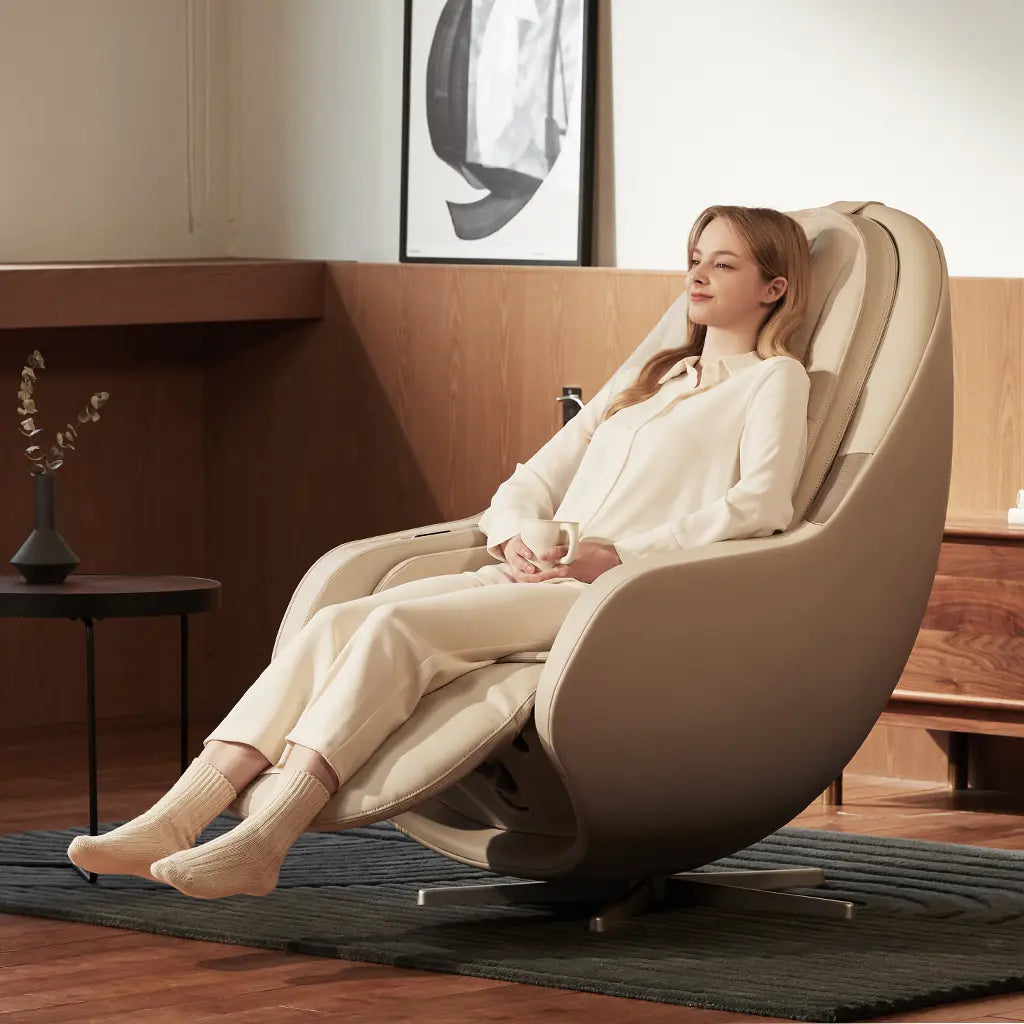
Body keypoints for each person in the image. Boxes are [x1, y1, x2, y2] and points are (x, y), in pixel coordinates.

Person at [67, 204, 812, 900]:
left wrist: (613, 557)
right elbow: (531, 479)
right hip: (536, 574)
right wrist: (516, 535)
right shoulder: (646, 381)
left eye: (723, 265)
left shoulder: (773, 381)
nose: (697, 275)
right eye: (693, 258)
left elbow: (760, 505)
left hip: (617, 595)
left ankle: (268, 837)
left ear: (773, 287)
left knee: (399, 631)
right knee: (340, 622)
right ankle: (178, 815)